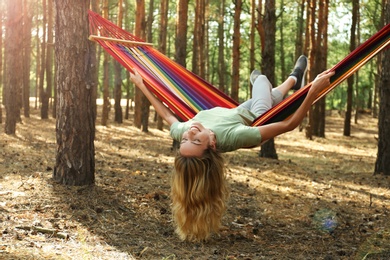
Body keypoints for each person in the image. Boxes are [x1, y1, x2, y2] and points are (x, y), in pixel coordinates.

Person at [130, 55, 335, 241]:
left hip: (236, 111)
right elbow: (288, 125)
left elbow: (167, 116)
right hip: (256, 117)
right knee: (261, 81)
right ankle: (293, 82)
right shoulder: (233, 136)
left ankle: (292, 80)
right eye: (196, 141)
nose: (190, 134)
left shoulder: (184, 129)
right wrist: (313, 91)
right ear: (211, 144)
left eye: (184, 140)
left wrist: (142, 85)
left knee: (271, 94)